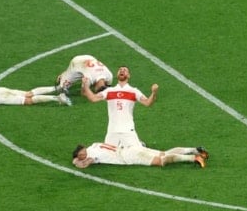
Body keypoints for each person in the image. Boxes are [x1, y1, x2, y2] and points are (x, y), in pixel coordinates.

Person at [80, 66, 157, 148]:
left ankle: (137, 144)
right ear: (117, 74)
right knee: (108, 152)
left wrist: (154, 93)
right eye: (120, 69)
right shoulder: (109, 91)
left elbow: (147, 103)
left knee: (135, 152)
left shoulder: (134, 91)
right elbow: (93, 98)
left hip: (127, 129)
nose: (122, 71)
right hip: (112, 130)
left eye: (125, 70)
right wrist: (85, 85)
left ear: (129, 75)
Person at [72, 142, 208, 168]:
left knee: (161, 161)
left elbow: (85, 164)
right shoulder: (94, 145)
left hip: (128, 156)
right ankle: (196, 150)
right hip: (131, 147)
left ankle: (193, 158)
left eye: (81, 155)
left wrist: (76, 162)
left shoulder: (92, 153)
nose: (82, 157)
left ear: (83, 150)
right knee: (164, 153)